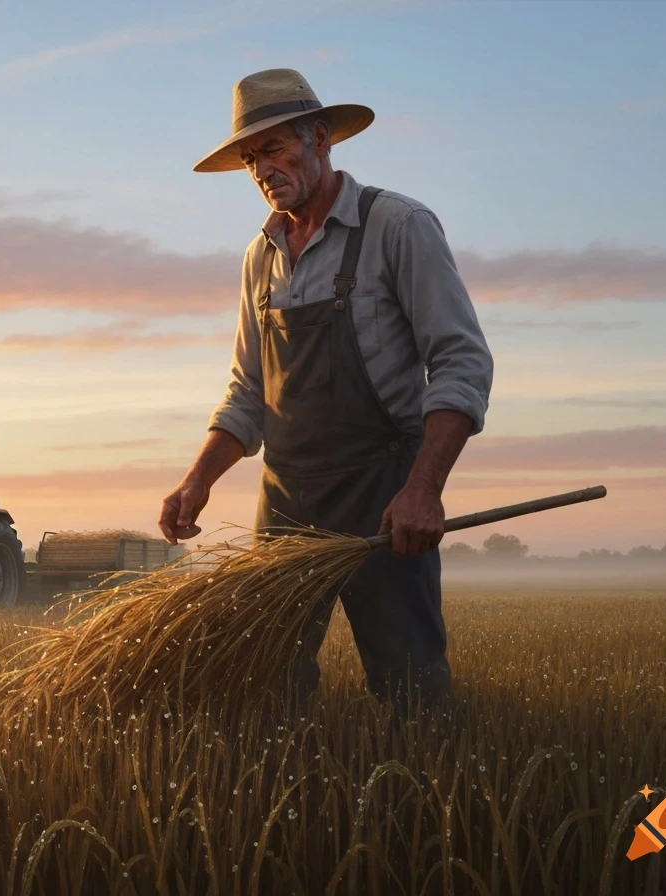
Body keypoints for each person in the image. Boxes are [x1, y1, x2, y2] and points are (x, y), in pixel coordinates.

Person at [159, 69, 493, 714]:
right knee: (266, 680)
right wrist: (197, 479)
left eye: (276, 148)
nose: (263, 170)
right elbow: (247, 391)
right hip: (286, 498)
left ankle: (420, 806)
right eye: (251, 158)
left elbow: (460, 362)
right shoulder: (261, 256)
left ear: (320, 138)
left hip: (382, 493)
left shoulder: (398, 226)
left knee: (410, 693)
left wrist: (423, 488)